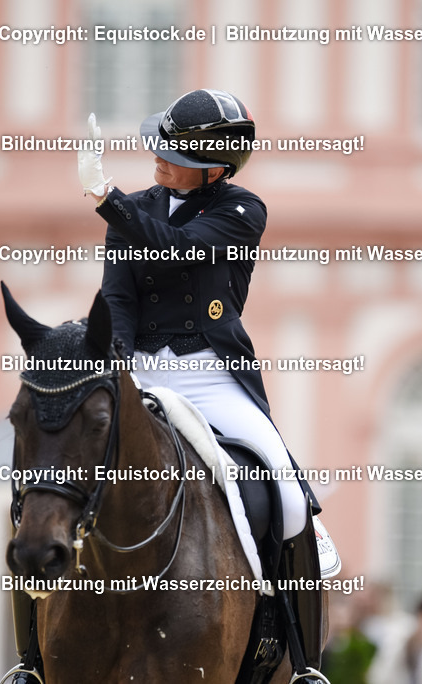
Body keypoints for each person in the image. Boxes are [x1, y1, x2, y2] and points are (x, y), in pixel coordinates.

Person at [74, 88, 329, 684]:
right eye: (160, 150)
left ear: (217, 166)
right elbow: (118, 295)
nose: (159, 161)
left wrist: (109, 202)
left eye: (177, 155)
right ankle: (33, 659)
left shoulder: (243, 211)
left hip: (210, 374)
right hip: (137, 367)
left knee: (290, 498)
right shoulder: (136, 207)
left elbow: (179, 254)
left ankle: (306, 662)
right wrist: (120, 367)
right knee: (55, 481)